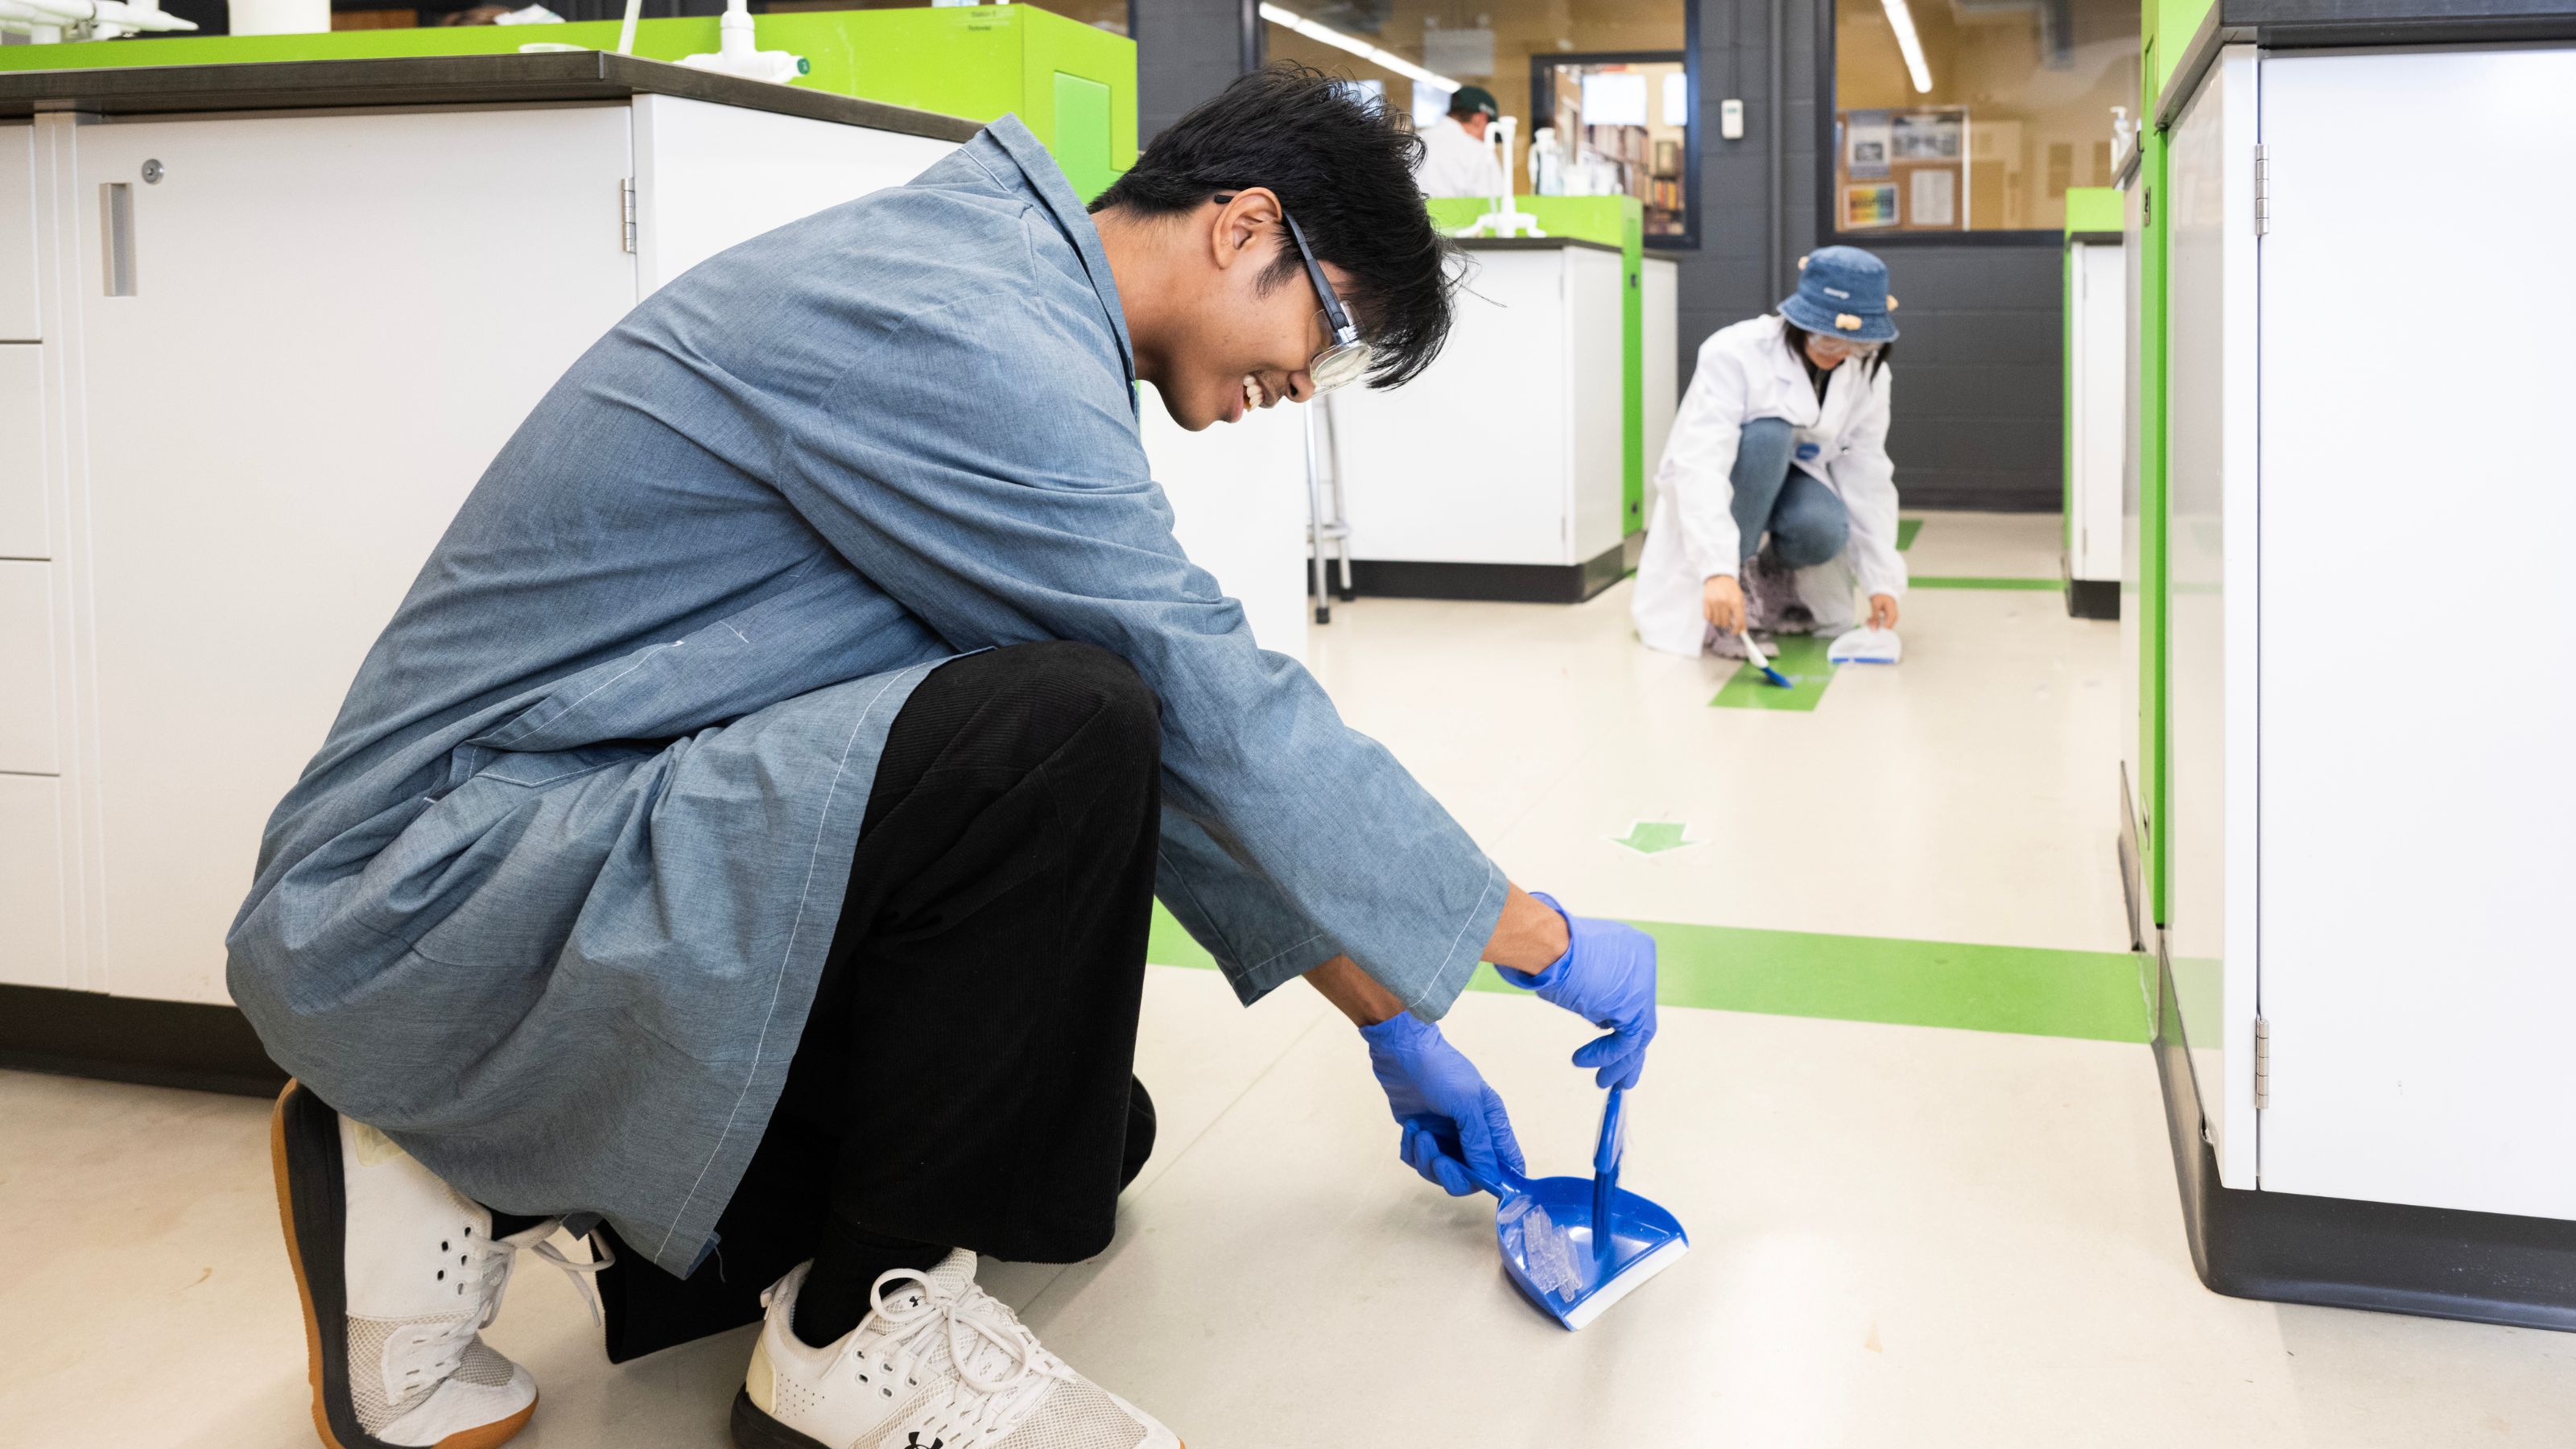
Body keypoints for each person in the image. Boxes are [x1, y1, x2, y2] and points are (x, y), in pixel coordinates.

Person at [231, 65, 1660, 1449]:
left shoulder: (1005, 292)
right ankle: (853, 1348)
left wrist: (1390, 1019)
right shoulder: (969, 322)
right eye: (1331, 333)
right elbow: (1198, 703)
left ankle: (472, 1186)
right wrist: (1526, 934)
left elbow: (1185, 759)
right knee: (1073, 725)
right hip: (429, 889)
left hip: (580, 828)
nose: (1308, 383)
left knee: (1083, 1141)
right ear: (1243, 226)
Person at [1632, 246, 1907, 658]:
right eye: (1826, 338)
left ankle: (1767, 578)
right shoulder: (1734, 352)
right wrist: (1717, 569)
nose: (1838, 354)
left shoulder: (1870, 373)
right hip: (1736, 475)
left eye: (1855, 344)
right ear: (1799, 320)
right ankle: (1735, 578)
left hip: (1798, 476)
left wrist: (1882, 580)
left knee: (1822, 529)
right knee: (1769, 435)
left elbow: (1866, 470)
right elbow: (1702, 462)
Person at [1414, 84, 1507, 198]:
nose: (1485, 140)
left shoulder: (1413, 143)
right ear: (1481, 119)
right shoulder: (1479, 152)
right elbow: (1494, 210)